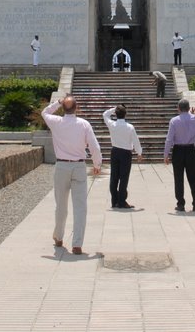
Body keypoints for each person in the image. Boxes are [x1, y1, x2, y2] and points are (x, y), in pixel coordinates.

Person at [41, 95, 102, 254]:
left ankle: (59, 236)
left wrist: (58, 102)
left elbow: (45, 112)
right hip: (79, 166)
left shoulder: (56, 122)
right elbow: (94, 146)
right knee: (80, 206)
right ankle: (77, 243)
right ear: (77, 108)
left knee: (61, 205)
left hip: (61, 166)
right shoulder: (84, 124)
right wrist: (97, 164)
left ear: (63, 108)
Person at [163, 98, 195, 212]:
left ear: (178, 108)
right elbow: (194, 119)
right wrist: (191, 114)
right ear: (189, 108)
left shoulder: (174, 121)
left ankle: (180, 204)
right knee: (194, 177)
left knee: (178, 178)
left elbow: (169, 139)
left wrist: (166, 154)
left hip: (178, 150)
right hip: (190, 149)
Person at [102, 105, 143, 209]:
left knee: (114, 177)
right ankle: (121, 201)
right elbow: (135, 140)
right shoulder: (129, 127)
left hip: (115, 151)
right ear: (125, 114)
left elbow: (105, 114)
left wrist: (113, 109)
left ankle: (114, 201)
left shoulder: (112, 124)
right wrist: (139, 153)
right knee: (124, 178)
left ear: (116, 114)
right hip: (126, 153)